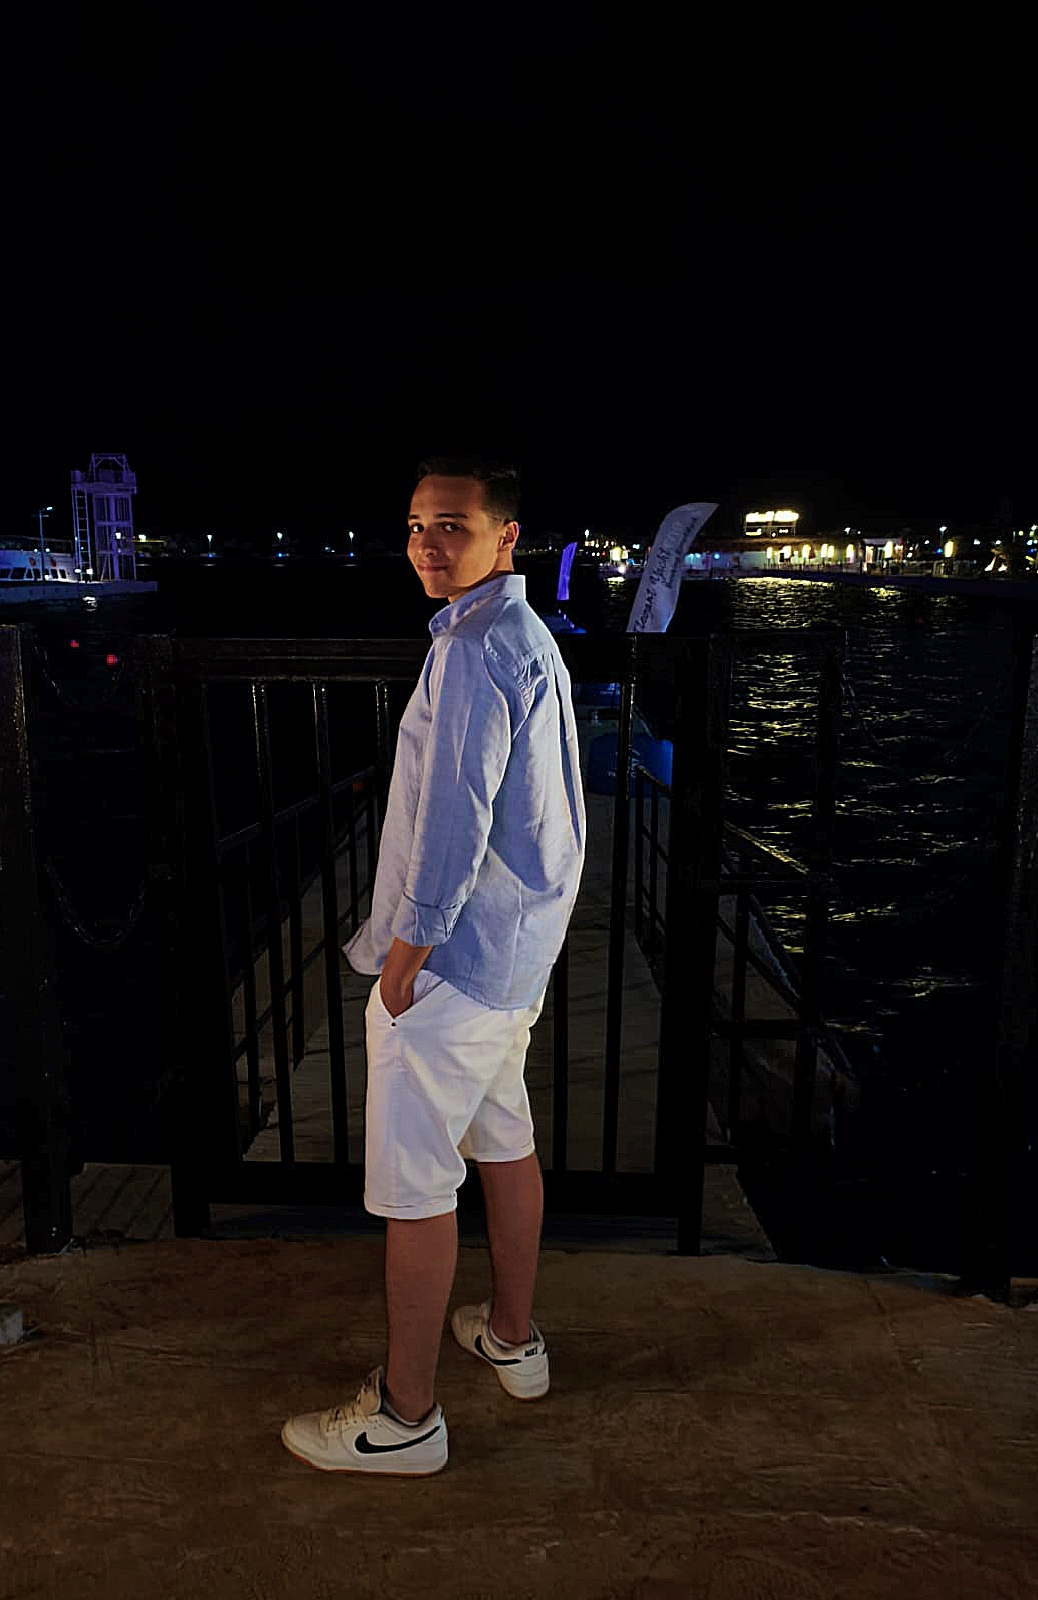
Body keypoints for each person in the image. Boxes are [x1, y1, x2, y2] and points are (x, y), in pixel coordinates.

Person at [281, 454, 586, 1476]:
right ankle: (513, 1337)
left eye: (452, 524)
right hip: (514, 954)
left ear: (506, 535)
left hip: (455, 960)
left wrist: (403, 961)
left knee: (416, 1187)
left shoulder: (469, 651)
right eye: (416, 525)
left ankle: (405, 1417)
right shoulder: (524, 634)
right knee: (504, 1137)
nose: (426, 543)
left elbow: (450, 826)